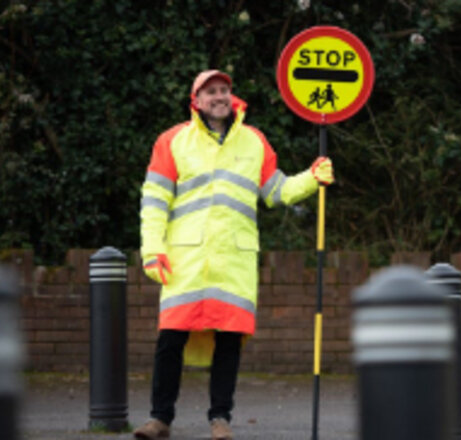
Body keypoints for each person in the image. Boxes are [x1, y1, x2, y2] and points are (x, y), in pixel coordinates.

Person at [133, 70, 334, 440]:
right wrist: (151, 250)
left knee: (229, 341)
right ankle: (159, 419)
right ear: (196, 100)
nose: (219, 96)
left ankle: (220, 419)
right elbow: (154, 200)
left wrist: (312, 177)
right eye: (211, 92)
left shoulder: (255, 141)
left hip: (234, 262)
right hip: (185, 262)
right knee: (170, 339)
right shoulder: (172, 141)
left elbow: (278, 192)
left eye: (224, 90)